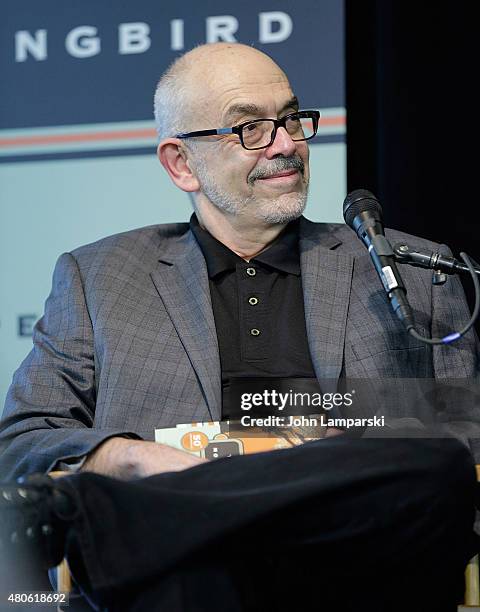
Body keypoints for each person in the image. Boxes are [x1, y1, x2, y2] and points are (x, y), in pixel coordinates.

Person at [0, 42, 479, 611]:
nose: (286, 145)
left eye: (291, 120)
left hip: (354, 570)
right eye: (250, 128)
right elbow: (22, 442)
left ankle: (126, 519)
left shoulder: (410, 269)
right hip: (184, 580)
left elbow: (464, 456)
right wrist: (127, 456)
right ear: (181, 163)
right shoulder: (99, 277)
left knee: (436, 456)